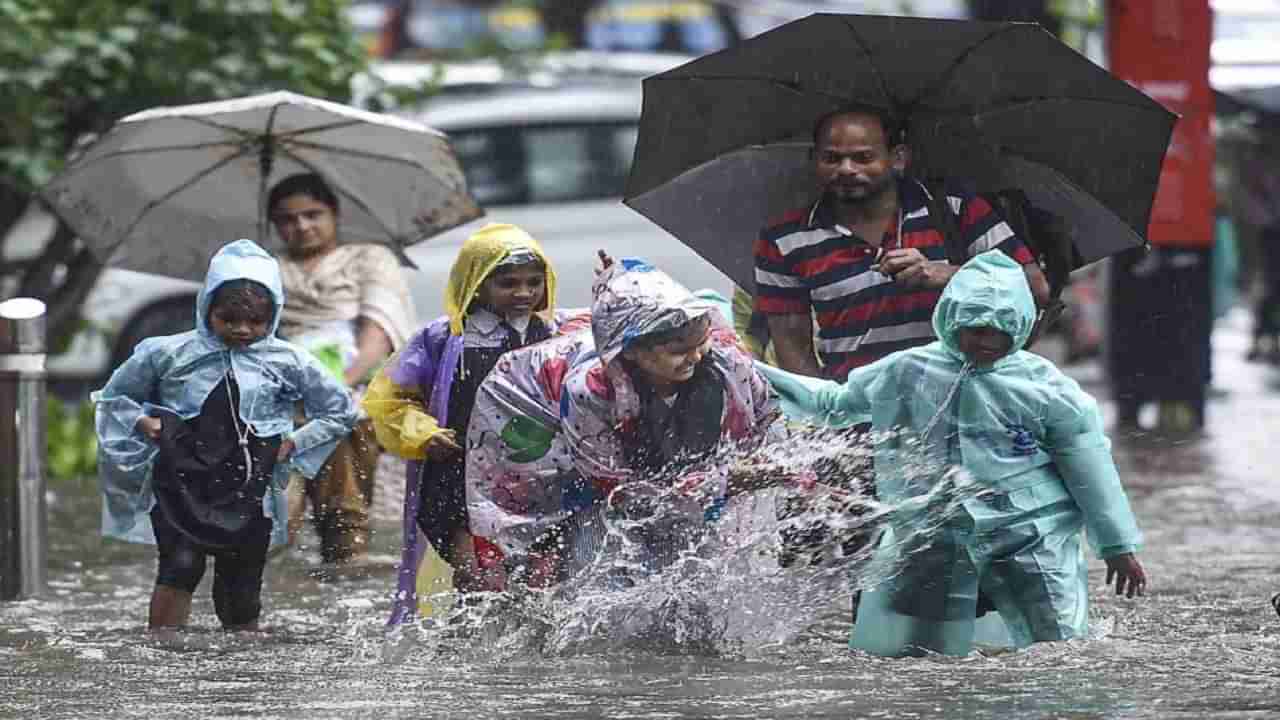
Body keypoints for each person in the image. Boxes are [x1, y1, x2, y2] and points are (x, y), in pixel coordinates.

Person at [756, 250, 1147, 656]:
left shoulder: (1048, 389)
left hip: (1028, 534)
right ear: (951, 319)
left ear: (1021, 328)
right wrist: (754, 372)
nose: (987, 342)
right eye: (975, 330)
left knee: (1058, 651)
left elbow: (1089, 467)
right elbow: (833, 404)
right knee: (907, 656)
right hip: (934, 532)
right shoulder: (908, 370)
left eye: (1001, 331)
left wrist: (1117, 546)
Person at [94, 239, 357, 630]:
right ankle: (163, 653)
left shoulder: (288, 361)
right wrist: (144, 423)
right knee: (178, 568)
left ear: (274, 315)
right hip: (180, 483)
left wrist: (295, 442)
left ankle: (242, 671)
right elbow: (113, 398)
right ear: (206, 309)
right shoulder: (167, 353)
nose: (242, 330)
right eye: (228, 319)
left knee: (242, 586)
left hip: (250, 487)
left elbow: (340, 410)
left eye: (255, 322)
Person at [363, 223, 580, 622]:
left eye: (534, 283)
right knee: (477, 579)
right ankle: (470, 649)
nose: (523, 293)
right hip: (458, 475)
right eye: (508, 283)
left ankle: (530, 653)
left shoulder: (556, 334)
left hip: (539, 477)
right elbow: (390, 400)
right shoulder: (443, 340)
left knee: (543, 582)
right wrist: (423, 433)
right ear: (476, 284)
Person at [754, 107, 1049, 382]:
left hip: (967, 408)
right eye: (831, 158)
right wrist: (823, 416)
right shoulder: (783, 241)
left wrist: (947, 276)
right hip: (858, 419)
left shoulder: (955, 210)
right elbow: (792, 345)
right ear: (813, 160)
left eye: (863, 158)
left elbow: (1034, 288)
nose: (846, 169)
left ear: (897, 159)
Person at [539, 254, 782, 583]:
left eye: (700, 344)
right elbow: (615, 489)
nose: (695, 357)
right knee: (595, 582)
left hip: (700, 487)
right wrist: (723, 481)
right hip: (600, 494)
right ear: (630, 350)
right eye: (677, 351)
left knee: (710, 581)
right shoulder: (591, 392)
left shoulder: (728, 364)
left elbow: (767, 420)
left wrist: (772, 471)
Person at [267, 173, 416, 565]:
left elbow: (380, 330)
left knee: (339, 434)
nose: (301, 226)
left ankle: (346, 554)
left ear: (335, 214)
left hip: (357, 388)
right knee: (273, 520)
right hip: (282, 396)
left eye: (312, 214)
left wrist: (339, 384)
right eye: (287, 219)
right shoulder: (266, 271)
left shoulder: (369, 259)